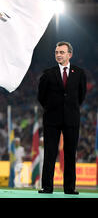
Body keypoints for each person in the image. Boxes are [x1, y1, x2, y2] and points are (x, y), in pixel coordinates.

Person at [37, 41, 87, 195]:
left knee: (70, 153)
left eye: (62, 52)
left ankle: (70, 188)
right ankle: (47, 187)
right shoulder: (48, 73)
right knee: (50, 153)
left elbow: (81, 95)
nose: (58, 55)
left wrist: (69, 108)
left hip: (72, 118)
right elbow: (41, 96)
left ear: (69, 54)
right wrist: (52, 108)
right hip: (51, 119)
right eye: (56, 52)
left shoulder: (79, 73)